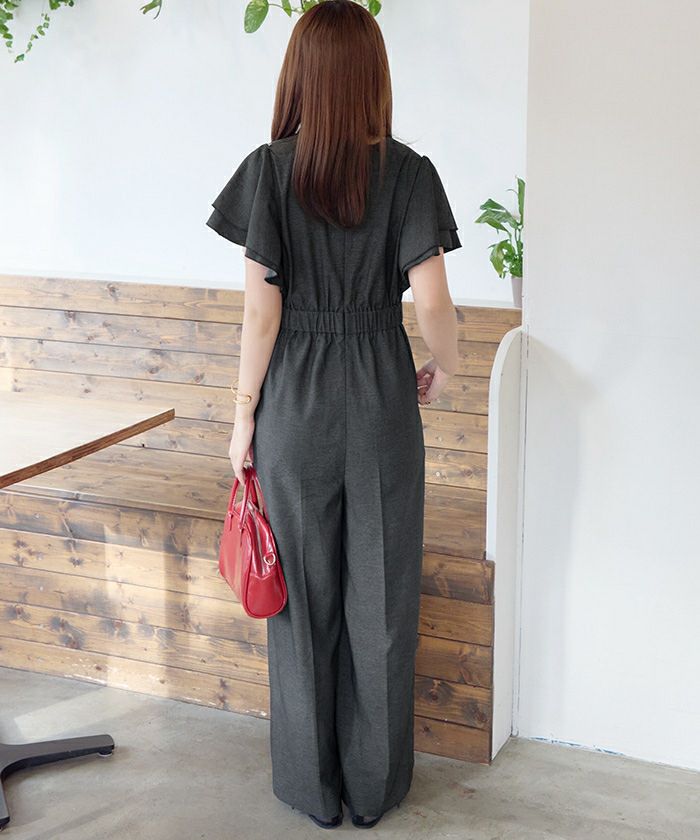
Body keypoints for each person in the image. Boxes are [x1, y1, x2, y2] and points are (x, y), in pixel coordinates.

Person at [206, 0, 460, 829]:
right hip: (382, 390)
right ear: (373, 77)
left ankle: (312, 790)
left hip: (295, 400)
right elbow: (432, 303)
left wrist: (243, 417)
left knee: (301, 601)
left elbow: (261, 316)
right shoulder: (411, 173)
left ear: (300, 76)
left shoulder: (269, 171)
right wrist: (444, 363)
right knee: (381, 599)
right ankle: (374, 790)